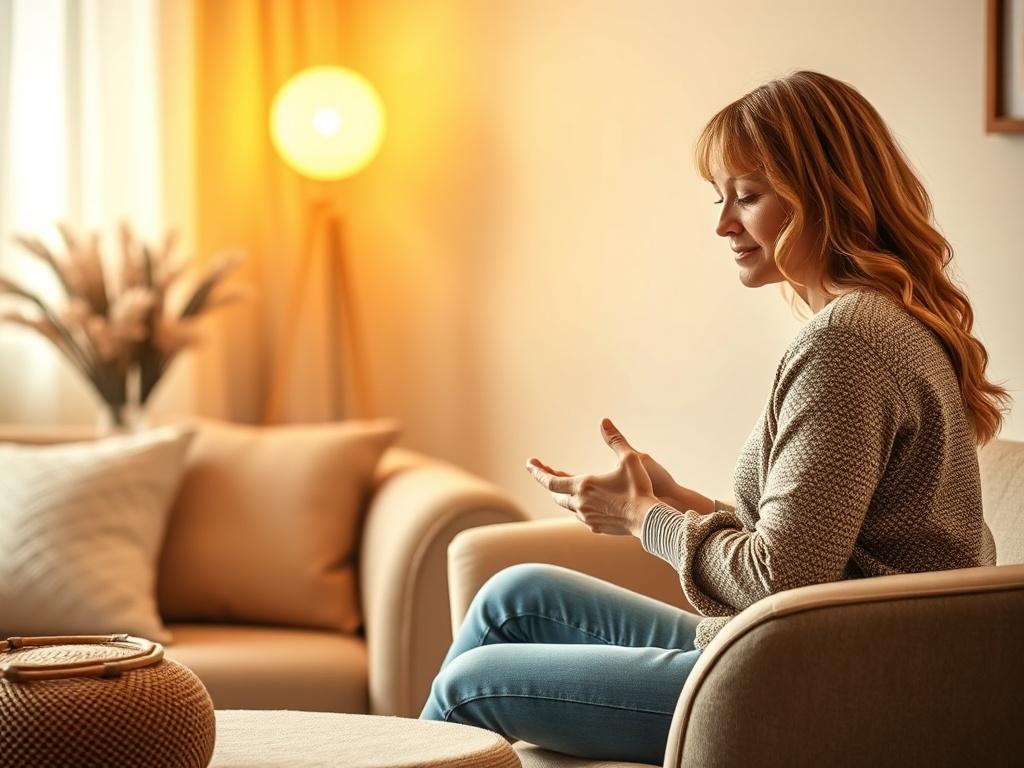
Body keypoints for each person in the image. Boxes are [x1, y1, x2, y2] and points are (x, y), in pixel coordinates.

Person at [418, 70, 1011, 765]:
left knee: (470, 687)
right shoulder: (886, 322)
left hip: (823, 684)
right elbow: (820, 542)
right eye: (720, 198)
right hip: (823, 652)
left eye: (748, 197)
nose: (723, 224)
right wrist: (673, 498)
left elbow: (780, 580)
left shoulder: (847, 342)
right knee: (513, 595)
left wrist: (645, 519)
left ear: (824, 195)